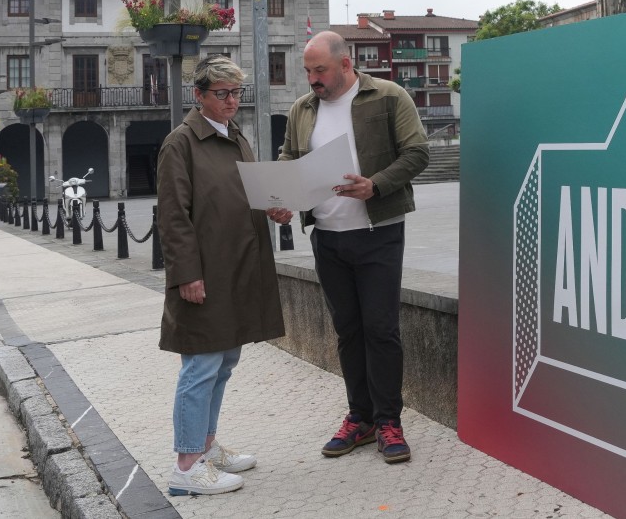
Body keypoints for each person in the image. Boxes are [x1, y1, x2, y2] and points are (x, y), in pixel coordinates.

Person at [267, 31, 429, 464]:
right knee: (348, 331)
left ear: (345, 64)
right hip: (327, 235)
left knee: (381, 329)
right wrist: (281, 199)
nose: (312, 79)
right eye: (307, 71)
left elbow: (417, 154)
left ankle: (389, 421)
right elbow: (288, 158)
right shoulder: (303, 108)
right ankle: (360, 418)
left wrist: (375, 185)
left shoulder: (390, 96)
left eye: (319, 70)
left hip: (378, 232)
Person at [157, 56, 286, 495]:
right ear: (200, 95)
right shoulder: (181, 144)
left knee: (225, 361)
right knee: (201, 363)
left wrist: (273, 207)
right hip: (205, 273)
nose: (232, 101)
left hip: (236, 267)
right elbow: (174, 217)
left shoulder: (236, 138)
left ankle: (206, 447)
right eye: (222, 94)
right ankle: (186, 466)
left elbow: (245, 194)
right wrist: (187, 275)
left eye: (236, 93)